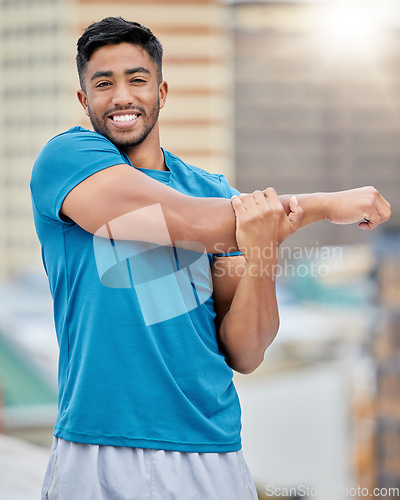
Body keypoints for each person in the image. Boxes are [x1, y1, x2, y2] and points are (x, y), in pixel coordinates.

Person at [30, 17, 391, 500]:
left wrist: (262, 245)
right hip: (97, 445)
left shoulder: (214, 193)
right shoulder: (67, 159)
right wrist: (325, 205)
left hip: (210, 451)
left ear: (161, 92)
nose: (121, 96)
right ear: (83, 100)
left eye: (137, 80)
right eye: (103, 83)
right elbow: (184, 221)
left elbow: (247, 350)